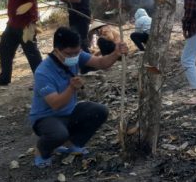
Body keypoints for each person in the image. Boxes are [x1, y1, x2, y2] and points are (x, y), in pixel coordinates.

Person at [29, 27, 128, 168]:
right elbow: (55, 104)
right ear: (57, 50)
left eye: (77, 52)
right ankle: (41, 150)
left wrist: (115, 53)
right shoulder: (43, 72)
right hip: (46, 117)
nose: (75, 57)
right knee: (58, 134)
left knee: (100, 111)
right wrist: (71, 88)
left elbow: (101, 63)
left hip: (69, 112)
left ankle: (73, 143)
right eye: (70, 53)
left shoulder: (76, 55)